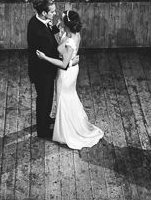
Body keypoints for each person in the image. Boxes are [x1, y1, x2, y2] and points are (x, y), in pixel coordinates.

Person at [36, 9, 104, 149]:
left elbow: (63, 64)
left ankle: (67, 132)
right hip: (71, 68)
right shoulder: (72, 34)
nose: (59, 21)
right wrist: (61, 33)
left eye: (61, 20)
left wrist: (45, 58)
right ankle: (69, 124)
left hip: (66, 74)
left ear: (67, 24)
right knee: (69, 97)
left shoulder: (71, 42)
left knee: (64, 98)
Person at [26, 0, 60, 139]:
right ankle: (43, 130)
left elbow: (48, 33)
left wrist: (54, 28)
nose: (55, 13)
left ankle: (46, 118)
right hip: (42, 71)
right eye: (52, 11)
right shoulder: (39, 33)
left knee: (48, 97)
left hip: (43, 69)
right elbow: (49, 50)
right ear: (44, 13)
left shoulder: (36, 20)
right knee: (44, 99)